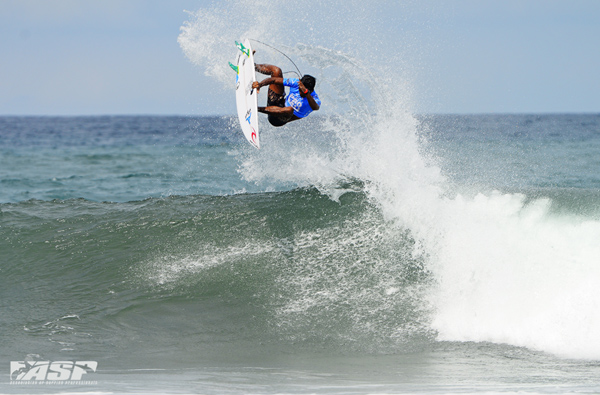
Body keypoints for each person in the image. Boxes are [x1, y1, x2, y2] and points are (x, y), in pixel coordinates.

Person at [252, 62, 321, 127]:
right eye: (300, 90)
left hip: (278, 119)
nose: (300, 93)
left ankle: (255, 108)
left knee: (289, 109)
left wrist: (306, 93)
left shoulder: (314, 99)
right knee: (276, 71)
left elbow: (316, 108)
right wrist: (260, 84)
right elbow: (274, 80)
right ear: (300, 82)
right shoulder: (296, 83)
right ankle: (253, 66)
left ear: (311, 90)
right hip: (277, 101)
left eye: (303, 92)